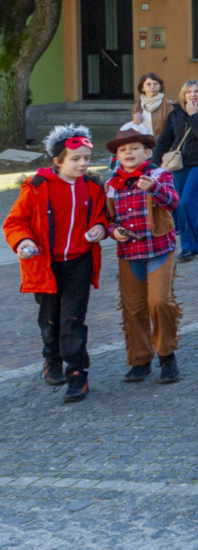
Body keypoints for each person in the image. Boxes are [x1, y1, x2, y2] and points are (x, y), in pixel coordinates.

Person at [4, 125, 109, 402]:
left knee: (73, 320)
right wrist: (24, 242)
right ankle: (52, 359)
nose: (83, 164)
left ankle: (77, 374)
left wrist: (100, 228)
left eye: (86, 157)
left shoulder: (93, 187)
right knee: (50, 320)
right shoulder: (37, 187)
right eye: (75, 158)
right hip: (45, 265)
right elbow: (15, 223)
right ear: (58, 161)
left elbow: (101, 217)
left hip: (79, 262)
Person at [105, 127, 183, 384]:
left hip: (158, 249)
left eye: (134, 148)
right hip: (129, 253)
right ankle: (140, 359)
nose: (128, 153)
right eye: (123, 150)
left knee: (159, 302)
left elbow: (173, 202)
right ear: (116, 155)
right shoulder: (111, 183)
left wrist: (154, 188)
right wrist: (114, 231)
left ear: (147, 152)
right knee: (134, 308)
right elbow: (108, 220)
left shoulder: (158, 175)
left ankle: (166, 354)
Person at [150, 79, 198, 262]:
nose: (193, 94)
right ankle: (196, 245)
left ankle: (188, 247)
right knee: (181, 205)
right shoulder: (175, 114)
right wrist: (153, 166)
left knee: (187, 202)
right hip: (178, 165)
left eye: (196, 91)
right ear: (183, 94)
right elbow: (164, 140)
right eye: (189, 92)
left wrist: (194, 116)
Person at [131, 73, 173, 139]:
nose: (152, 86)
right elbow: (134, 130)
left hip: (162, 145)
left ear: (160, 87)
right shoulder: (137, 106)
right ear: (142, 88)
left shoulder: (168, 106)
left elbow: (172, 128)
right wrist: (135, 123)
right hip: (144, 144)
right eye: (148, 84)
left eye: (155, 84)